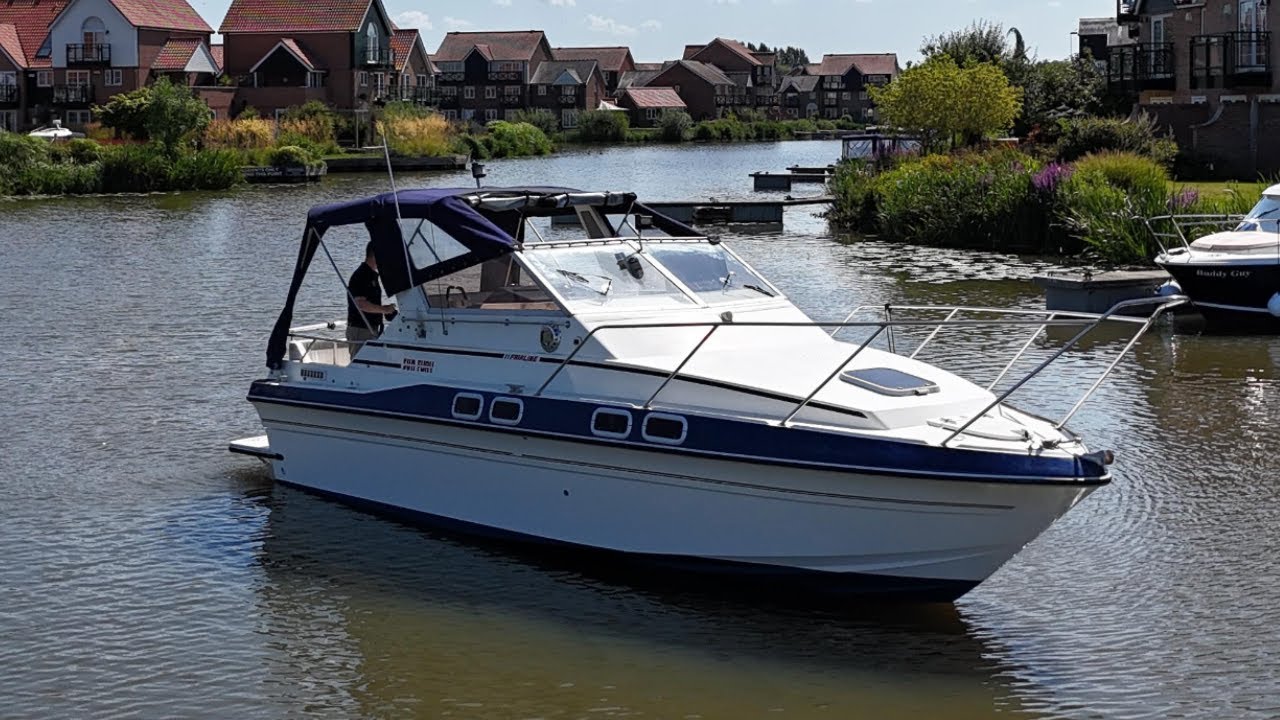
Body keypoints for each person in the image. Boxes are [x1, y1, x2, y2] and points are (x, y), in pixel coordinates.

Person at [346, 241, 397, 344]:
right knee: (359, 359)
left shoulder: (371, 275)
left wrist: (385, 310)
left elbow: (369, 302)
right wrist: (384, 309)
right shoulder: (361, 275)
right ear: (375, 255)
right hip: (360, 330)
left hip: (371, 328)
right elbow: (361, 304)